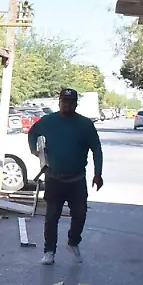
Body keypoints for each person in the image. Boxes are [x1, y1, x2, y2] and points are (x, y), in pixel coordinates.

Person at [28, 88, 104, 264]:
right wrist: (34, 149)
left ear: (76, 104)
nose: (67, 105)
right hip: (54, 178)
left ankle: (73, 241)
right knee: (51, 216)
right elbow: (33, 132)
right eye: (64, 101)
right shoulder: (49, 121)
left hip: (76, 179)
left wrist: (98, 173)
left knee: (80, 214)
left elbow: (96, 149)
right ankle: (49, 251)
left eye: (71, 102)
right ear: (59, 102)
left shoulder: (85, 124)